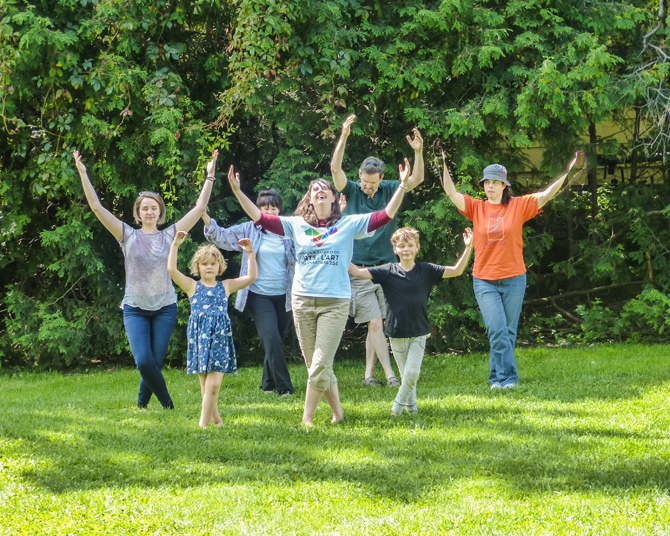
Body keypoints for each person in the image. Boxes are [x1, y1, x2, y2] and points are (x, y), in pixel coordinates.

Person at [227, 163, 411, 426]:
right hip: (302, 301)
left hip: (335, 302)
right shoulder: (297, 225)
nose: (319, 190)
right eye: (314, 189)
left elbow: (385, 216)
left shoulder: (348, 224)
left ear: (334, 197)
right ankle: (338, 413)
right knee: (317, 364)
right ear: (309, 199)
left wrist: (402, 185)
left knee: (321, 363)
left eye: (324, 188)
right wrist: (237, 191)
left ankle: (307, 418)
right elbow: (260, 217)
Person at [73, 149, 218, 409]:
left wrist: (210, 176)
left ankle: (141, 405)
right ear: (138, 213)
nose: (149, 212)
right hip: (135, 309)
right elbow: (96, 208)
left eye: (154, 208)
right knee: (143, 361)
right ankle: (168, 404)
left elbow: (200, 208)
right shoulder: (127, 235)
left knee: (155, 362)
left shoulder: (171, 234)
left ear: (160, 213)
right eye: (145, 209)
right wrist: (84, 174)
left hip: (165, 308)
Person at [441, 151, 586, 389]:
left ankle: (498, 379)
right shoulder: (476, 208)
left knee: (507, 332)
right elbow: (451, 192)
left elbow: (547, 194)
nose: (489, 187)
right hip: (484, 280)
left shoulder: (519, 206)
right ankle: (508, 378)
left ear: (504, 185)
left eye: (494, 182)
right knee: (497, 330)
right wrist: (443, 163)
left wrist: (569, 170)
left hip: (514, 279)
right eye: (486, 182)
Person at [330, 114, 425, 388]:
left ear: (381, 178)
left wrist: (418, 152)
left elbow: (416, 178)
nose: (367, 186)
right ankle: (391, 375)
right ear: (359, 175)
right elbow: (336, 170)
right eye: (364, 180)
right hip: (359, 269)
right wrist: (344, 136)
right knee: (374, 323)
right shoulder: (351, 190)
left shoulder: (390, 189)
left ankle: (368, 375)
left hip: (387, 267)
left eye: (372, 182)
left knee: (378, 324)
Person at [349, 226, 473, 415]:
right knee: (407, 374)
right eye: (401, 246)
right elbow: (358, 272)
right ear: (395, 250)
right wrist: (338, 248)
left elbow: (456, 270)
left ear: (417, 248)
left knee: (412, 373)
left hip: (419, 331)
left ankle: (396, 409)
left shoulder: (427, 270)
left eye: (410, 245)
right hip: (396, 333)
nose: (405, 249)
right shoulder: (387, 271)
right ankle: (412, 410)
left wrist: (468, 247)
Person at [202, 188, 297, 397]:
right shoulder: (249, 229)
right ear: (257, 209)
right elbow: (222, 237)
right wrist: (203, 214)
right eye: (265, 207)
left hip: (286, 296)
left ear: (279, 210)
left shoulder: (289, 230)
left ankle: (267, 384)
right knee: (271, 339)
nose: (270, 211)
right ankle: (285, 388)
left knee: (276, 341)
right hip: (258, 295)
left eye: (274, 208)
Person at [167, 231, 257, 428]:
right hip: (200, 337)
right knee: (205, 384)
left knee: (214, 385)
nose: (209, 267)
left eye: (213, 263)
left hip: (220, 338)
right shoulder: (192, 286)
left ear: (219, 267)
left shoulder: (225, 286)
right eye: (205, 263)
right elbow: (172, 270)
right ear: (198, 267)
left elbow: (251, 277)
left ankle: (203, 424)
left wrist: (250, 253)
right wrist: (174, 246)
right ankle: (216, 421)